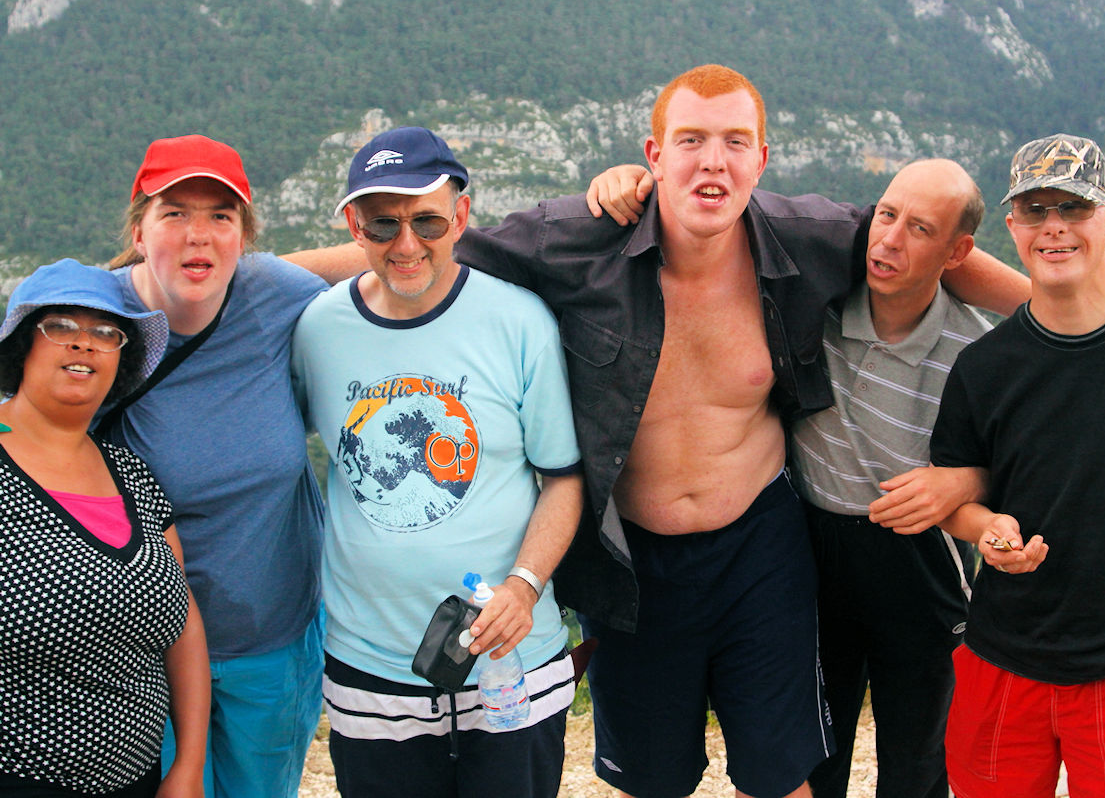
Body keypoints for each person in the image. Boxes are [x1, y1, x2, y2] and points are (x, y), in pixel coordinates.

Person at [286, 64, 1028, 798]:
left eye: (736, 141)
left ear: (762, 160)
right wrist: (250, 278)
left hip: (760, 548)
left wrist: (1061, 305)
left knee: (782, 773)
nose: (713, 159)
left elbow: (936, 245)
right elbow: (420, 243)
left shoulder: (810, 238)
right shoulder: (578, 240)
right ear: (654, 155)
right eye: (691, 140)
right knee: (653, 777)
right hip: (633, 561)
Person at [290, 127, 584, 798]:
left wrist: (525, 584)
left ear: (461, 216)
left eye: (426, 219)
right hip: (371, 668)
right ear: (353, 225)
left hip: (510, 663)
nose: (406, 243)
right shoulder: (318, 329)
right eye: (383, 223)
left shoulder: (519, 322)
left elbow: (562, 477)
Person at [930, 134, 1105, 797]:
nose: (1054, 226)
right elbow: (959, 494)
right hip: (1003, 651)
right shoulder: (984, 368)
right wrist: (986, 529)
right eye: (1035, 208)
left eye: (1074, 208)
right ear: (1014, 227)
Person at [103, 135, 328, 798]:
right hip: (144, 651)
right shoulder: (93, 320)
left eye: (220, 217)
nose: (198, 235)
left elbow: (389, 261)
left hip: (274, 640)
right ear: (140, 229)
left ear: (244, 238)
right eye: (175, 213)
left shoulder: (277, 292)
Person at [789, 160, 1001, 798]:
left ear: (957, 252)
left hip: (920, 558)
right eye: (885, 215)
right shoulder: (814, 304)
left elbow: (1014, 464)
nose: (889, 240)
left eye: (919, 229)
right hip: (812, 550)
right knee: (816, 756)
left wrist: (963, 484)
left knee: (917, 762)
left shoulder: (978, 353)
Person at [0, 259, 209, 797]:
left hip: (137, 780)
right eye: (61, 326)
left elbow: (184, 626)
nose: (84, 343)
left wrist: (187, 764)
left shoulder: (132, 475)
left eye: (105, 333)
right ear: (24, 345)